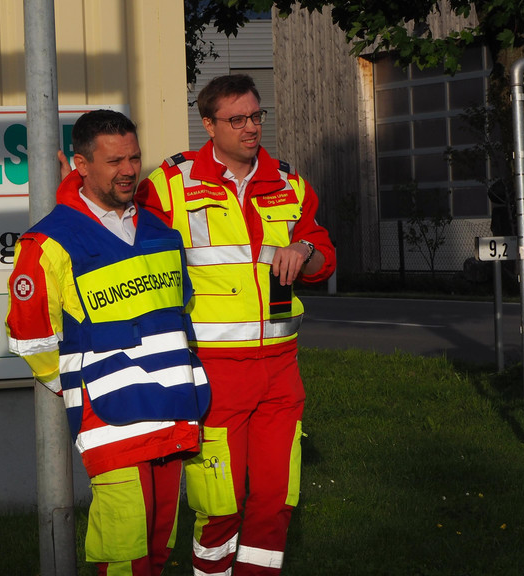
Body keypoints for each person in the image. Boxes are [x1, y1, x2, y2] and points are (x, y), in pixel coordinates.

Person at [135, 74, 336, 575]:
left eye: (256, 116)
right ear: (209, 125)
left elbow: (323, 257)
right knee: (219, 504)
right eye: (237, 119)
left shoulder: (288, 183)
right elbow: (121, 238)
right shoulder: (169, 185)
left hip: (281, 371)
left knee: (275, 499)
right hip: (214, 372)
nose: (251, 128)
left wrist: (303, 249)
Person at [6, 109, 211, 575]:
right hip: (112, 421)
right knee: (124, 554)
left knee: (158, 550)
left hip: (173, 410)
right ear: (80, 165)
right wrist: (73, 385)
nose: (129, 170)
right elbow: (30, 335)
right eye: (115, 161)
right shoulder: (49, 242)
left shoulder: (161, 232)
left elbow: (180, 314)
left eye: (134, 158)